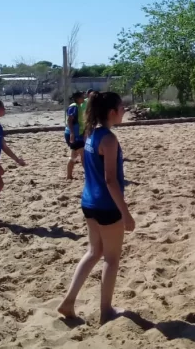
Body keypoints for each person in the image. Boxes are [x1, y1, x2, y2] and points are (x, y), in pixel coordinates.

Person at [58, 91, 135, 324]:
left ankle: (69, 301)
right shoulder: (109, 139)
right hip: (106, 205)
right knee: (111, 259)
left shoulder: (90, 132)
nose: (124, 111)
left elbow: (84, 162)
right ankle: (106, 311)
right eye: (122, 107)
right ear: (112, 112)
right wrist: (126, 213)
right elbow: (111, 180)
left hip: (89, 201)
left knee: (93, 252)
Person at [65, 91, 87, 180]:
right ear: (78, 98)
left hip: (77, 134)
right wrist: (72, 133)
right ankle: (88, 174)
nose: (83, 98)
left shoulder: (78, 106)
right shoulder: (74, 107)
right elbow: (70, 121)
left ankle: (69, 175)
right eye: (82, 97)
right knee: (82, 154)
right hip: (74, 134)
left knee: (75, 156)